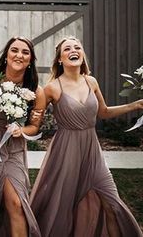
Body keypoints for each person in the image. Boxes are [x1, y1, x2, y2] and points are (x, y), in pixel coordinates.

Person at [30, 37, 143, 237]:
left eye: (77, 47)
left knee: (112, 203)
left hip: (92, 152)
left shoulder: (91, 81)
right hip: (65, 153)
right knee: (62, 208)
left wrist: (135, 105)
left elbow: (104, 112)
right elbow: (34, 122)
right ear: (60, 59)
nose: (73, 50)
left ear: (82, 55)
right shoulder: (52, 88)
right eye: (67, 49)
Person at [0, 37, 45, 237]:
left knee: (16, 201)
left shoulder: (36, 91)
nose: (19, 55)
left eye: (25, 52)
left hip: (13, 148)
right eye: (14, 50)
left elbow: (34, 126)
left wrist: (22, 130)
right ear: (6, 55)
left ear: (31, 60)